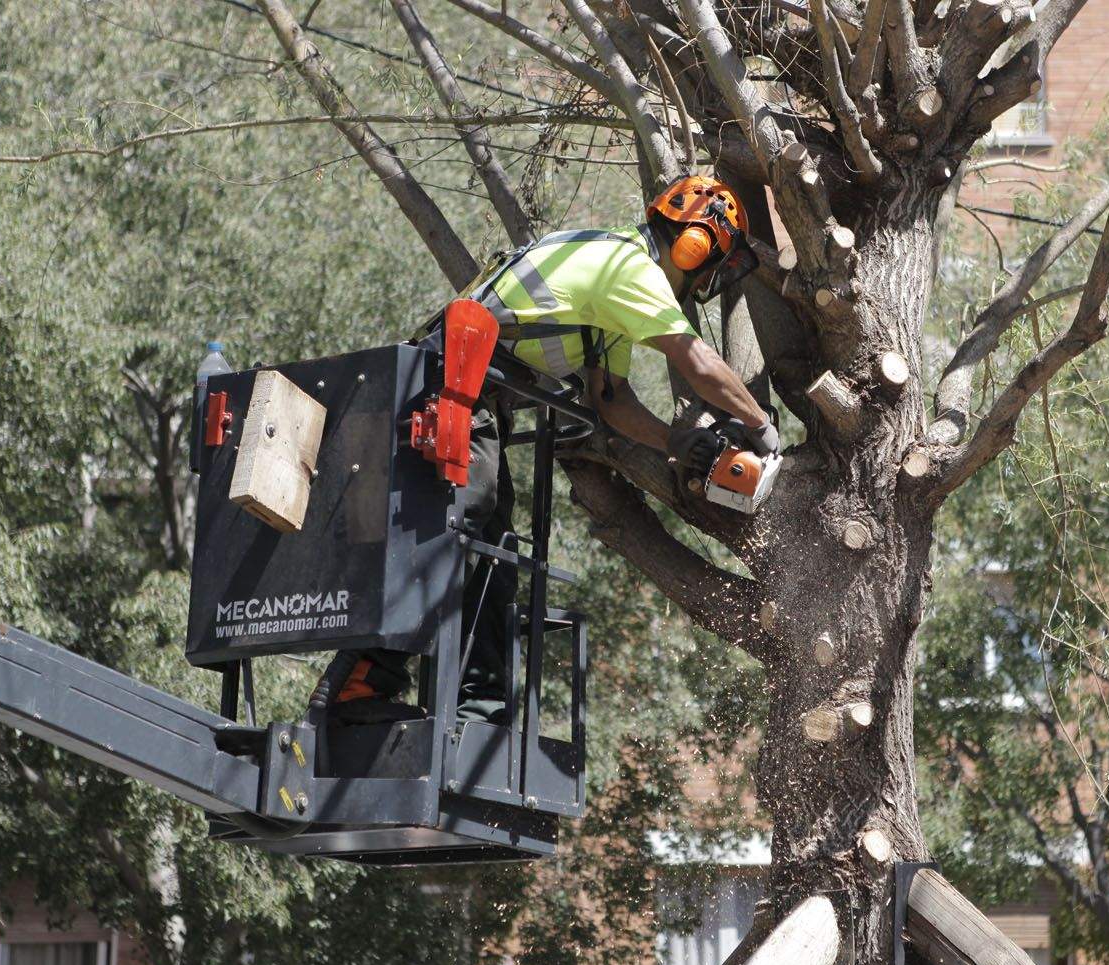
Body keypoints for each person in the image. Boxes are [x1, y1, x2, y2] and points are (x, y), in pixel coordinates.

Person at [320, 175, 777, 722]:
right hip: (450, 383)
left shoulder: (615, 287)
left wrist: (674, 441)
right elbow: (698, 362)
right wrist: (761, 426)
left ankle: (479, 711)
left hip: (476, 395)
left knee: (495, 548)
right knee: (454, 521)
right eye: (712, 268)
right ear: (694, 244)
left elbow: (612, 401)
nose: (704, 281)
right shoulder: (627, 269)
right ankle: (354, 685)